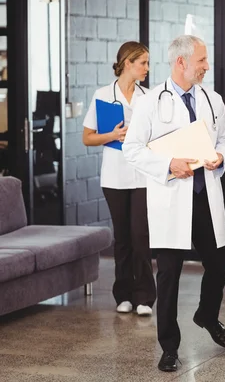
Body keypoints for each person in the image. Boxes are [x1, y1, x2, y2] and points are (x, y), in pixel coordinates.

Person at [122, 35, 225, 373]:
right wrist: (168, 164)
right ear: (181, 62)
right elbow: (133, 149)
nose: (206, 66)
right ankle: (169, 347)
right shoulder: (151, 101)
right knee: (169, 275)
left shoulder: (212, 99)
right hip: (172, 196)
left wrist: (221, 155)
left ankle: (207, 315)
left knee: (219, 263)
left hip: (205, 195)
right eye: (201, 60)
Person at [82, 41, 156, 317]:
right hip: (114, 176)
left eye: (148, 63)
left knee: (141, 236)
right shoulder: (103, 95)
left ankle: (145, 297)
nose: (147, 68)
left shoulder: (148, 97)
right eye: (143, 63)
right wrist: (112, 135)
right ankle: (123, 295)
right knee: (122, 238)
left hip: (142, 176)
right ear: (128, 63)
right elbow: (87, 137)